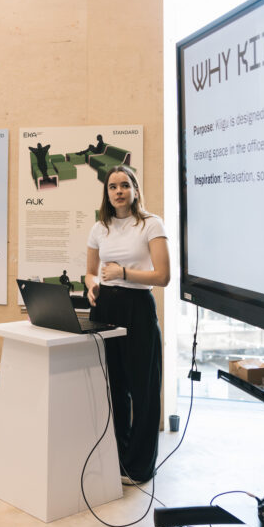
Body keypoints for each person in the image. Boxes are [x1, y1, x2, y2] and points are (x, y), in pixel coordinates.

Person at [85, 166, 170, 485]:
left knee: (143, 389)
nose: (118, 191)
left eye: (124, 185)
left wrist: (123, 273)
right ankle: (117, 459)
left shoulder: (151, 224)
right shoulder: (99, 228)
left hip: (137, 307)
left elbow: (163, 276)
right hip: (105, 307)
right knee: (114, 387)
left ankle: (139, 466)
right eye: (112, 186)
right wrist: (92, 286)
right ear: (106, 193)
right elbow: (90, 272)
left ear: (135, 190)